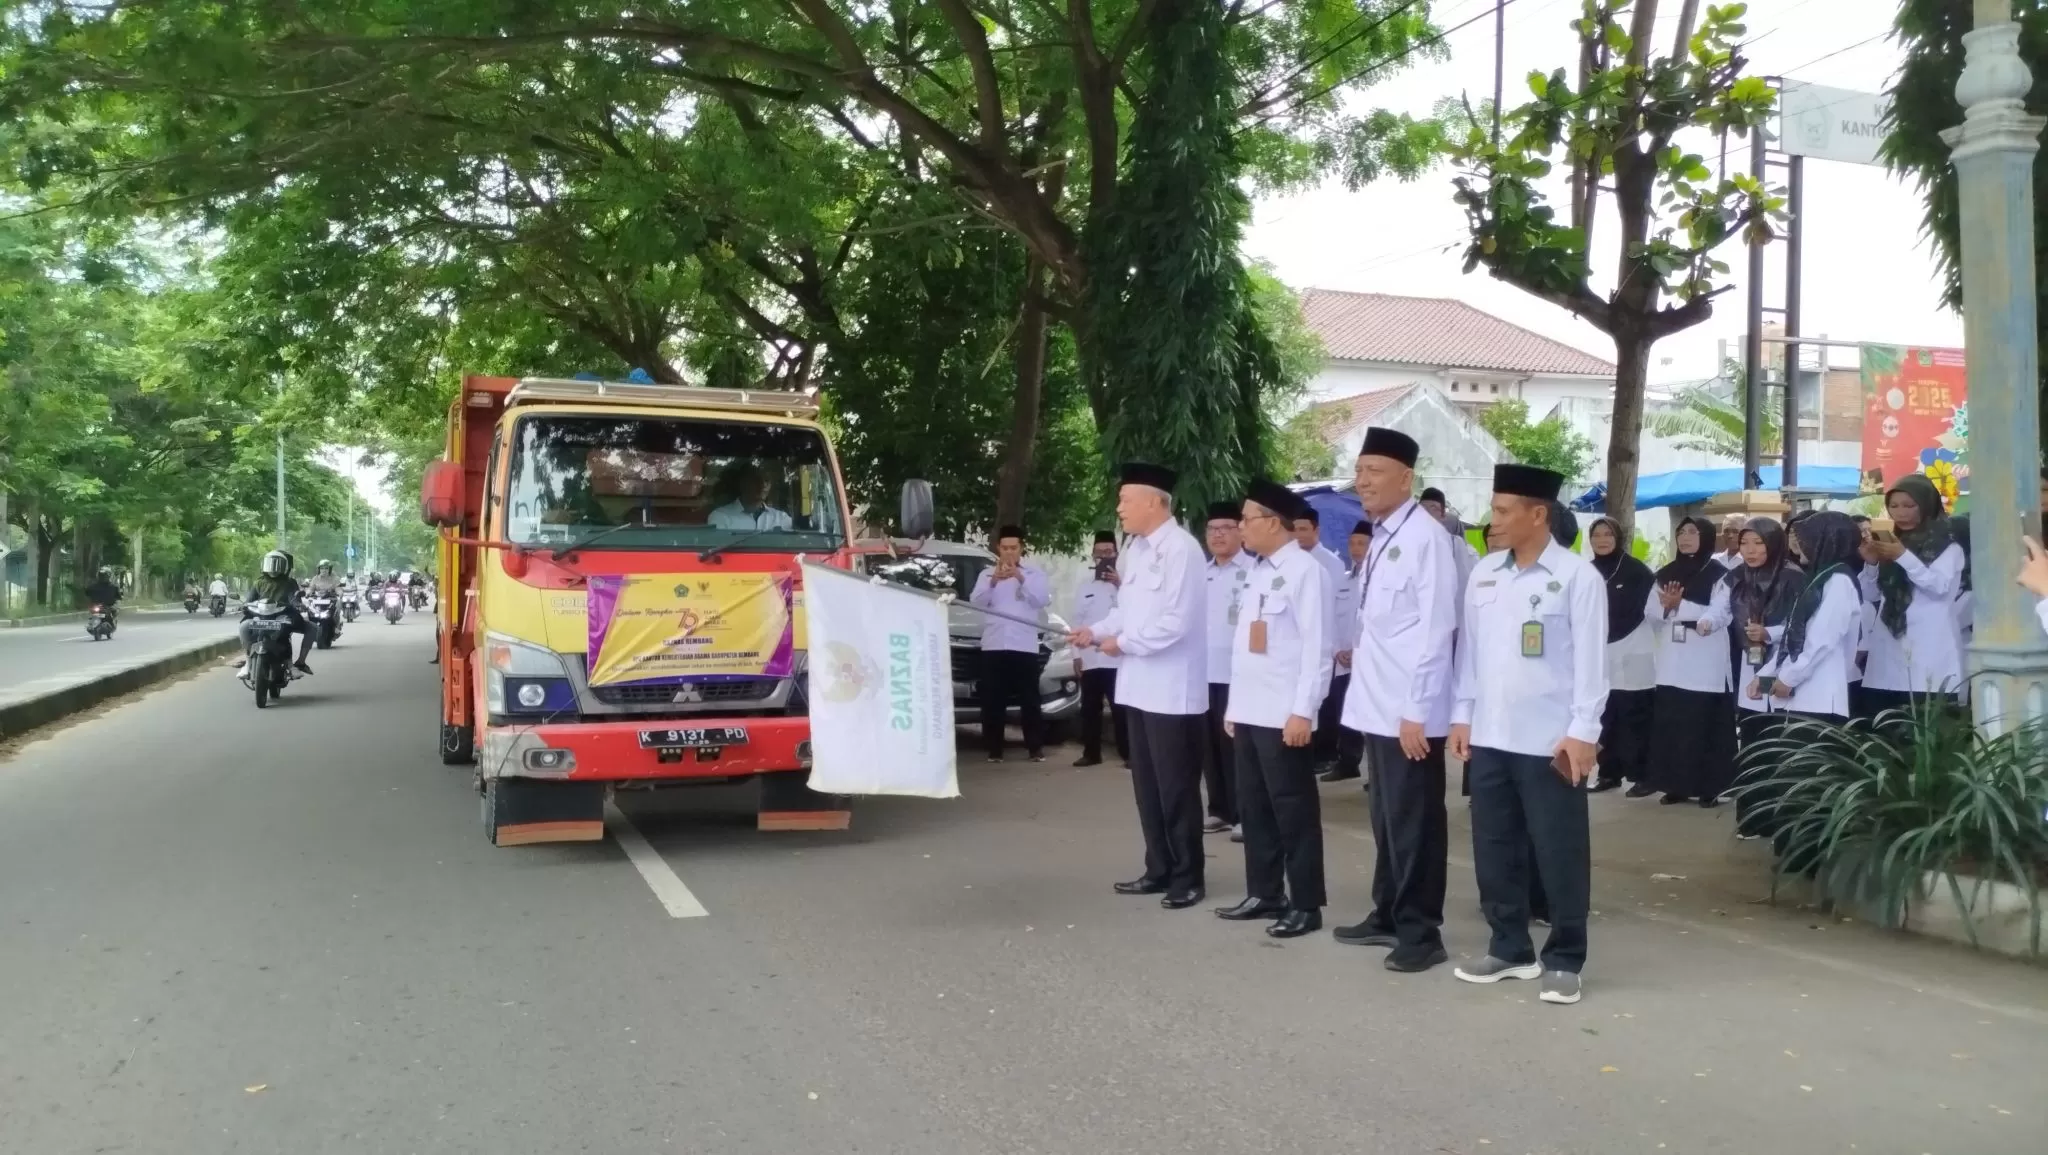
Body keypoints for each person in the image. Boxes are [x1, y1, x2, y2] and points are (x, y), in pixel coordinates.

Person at [1449, 464, 1607, 1006]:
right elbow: (1469, 653)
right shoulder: (1485, 574)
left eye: (1502, 511)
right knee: (1494, 847)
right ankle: (1509, 946)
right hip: (1491, 735)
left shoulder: (1577, 577)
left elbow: (1591, 665)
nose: (1492, 522)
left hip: (1550, 741)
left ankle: (1565, 956)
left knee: (1558, 849)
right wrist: (1462, 714)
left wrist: (1584, 732)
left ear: (1537, 514)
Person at [1330, 429, 1459, 971]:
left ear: (1406, 478)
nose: (1363, 481)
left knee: (1415, 821)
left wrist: (1418, 710)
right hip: (1376, 701)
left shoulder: (1427, 539)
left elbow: (1436, 629)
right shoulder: (1382, 534)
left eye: (1375, 471)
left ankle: (1421, 931)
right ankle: (1387, 911)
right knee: (1385, 816)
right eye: (1359, 471)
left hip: (1410, 709)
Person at [1069, 463, 1209, 910]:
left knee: (1176, 787)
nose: (1119, 508)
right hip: (1138, 688)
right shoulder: (1137, 550)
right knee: (1147, 786)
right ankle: (1159, 868)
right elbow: (1126, 612)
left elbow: (1177, 623)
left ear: (1154, 502)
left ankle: (1188, 875)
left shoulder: (1182, 551)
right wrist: (1095, 632)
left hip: (1172, 691)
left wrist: (1122, 643)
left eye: (1126, 500)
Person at [1214, 478, 1331, 938]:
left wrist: (1304, 710)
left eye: (1246, 519)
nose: (1241, 527)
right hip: (1250, 711)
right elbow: (1248, 648)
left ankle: (1306, 902)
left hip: (1285, 714)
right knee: (1255, 808)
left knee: (1293, 810)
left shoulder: (1306, 571)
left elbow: (1317, 649)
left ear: (1274, 523)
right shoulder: (1258, 571)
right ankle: (1265, 892)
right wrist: (1233, 707)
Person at [1637, 516, 1736, 805]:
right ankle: (1675, 785)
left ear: (1706, 537)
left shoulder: (1721, 574)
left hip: (1706, 660)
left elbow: (1722, 612)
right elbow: (1651, 612)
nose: (1685, 537)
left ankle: (1709, 788)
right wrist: (1668, 609)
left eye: (1693, 532)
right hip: (1672, 660)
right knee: (1674, 725)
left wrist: (1682, 606)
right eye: (1681, 532)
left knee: (1704, 725)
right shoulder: (1666, 572)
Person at [1857, 474, 1966, 716]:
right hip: (1887, 654)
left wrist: (1903, 557)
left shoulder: (1947, 546)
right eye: (1894, 506)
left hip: (1929, 653)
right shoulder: (1894, 544)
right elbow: (1871, 594)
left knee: (1926, 738)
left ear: (1926, 505)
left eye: (1909, 506)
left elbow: (1939, 587)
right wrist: (1872, 564)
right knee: (1886, 733)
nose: (1901, 513)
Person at [1720, 519, 1803, 834]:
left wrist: (1769, 632)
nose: (1750, 550)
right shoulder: (1736, 578)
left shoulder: (1795, 579)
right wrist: (1706, 620)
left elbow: (1803, 626)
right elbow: (1719, 611)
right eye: (1745, 543)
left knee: (1777, 739)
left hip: (1784, 667)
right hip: (1751, 668)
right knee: (1754, 739)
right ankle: (1754, 819)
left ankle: (1780, 822)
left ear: (1773, 543)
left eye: (1758, 543)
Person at [1586, 517, 1657, 794]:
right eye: (1597, 535)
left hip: (1633, 649)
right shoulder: (1587, 571)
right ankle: (1608, 773)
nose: (1602, 540)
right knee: (1606, 715)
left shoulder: (1636, 571)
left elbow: (1644, 610)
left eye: (1608, 535)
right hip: (1600, 651)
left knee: (1634, 716)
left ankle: (1643, 775)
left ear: (1618, 538)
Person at [969, 525, 1051, 764]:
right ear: (998, 548)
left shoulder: (1034, 574)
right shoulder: (986, 574)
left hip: (1023, 644)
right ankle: (994, 749)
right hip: (994, 644)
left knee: (1030, 699)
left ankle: (1035, 748)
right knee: (993, 699)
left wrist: (1019, 577)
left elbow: (1041, 600)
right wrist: (994, 581)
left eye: (1013, 548)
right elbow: (976, 602)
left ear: (1021, 548)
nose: (1009, 552)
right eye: (1004, 548)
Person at [1200, 503, 1253, 833]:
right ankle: (1219, 807)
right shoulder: (1200, 574)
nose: (1218, 534)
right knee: (1210, 747)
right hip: (1204, 673)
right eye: (1212, 529)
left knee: (1238, 748)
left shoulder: (1252, 570)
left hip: (1238, 675)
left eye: (1226, 527)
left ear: (1240, 530)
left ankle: (1245, 814)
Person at [1290, 508, 1347, 772]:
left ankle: (1324, 754)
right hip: (1294, 647)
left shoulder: (1330, 563)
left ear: (1317, 531)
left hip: (1324, 642)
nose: (1299, 535)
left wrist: (1337, 646)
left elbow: (1335, 610)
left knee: (1323, 702)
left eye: (1304, 529)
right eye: (1295, 529)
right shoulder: (1289, 562)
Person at [1317, 520, 1372, 784]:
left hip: (1369, 660)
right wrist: (1339, 649)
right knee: (1343, 710)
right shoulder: (1344, 581)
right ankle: (1348, 762)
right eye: (1352, 543)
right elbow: (1333, 618)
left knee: (1373, 716)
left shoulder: (1378, 579)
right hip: (1343, 660)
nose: (1356, 548)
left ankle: (1378, 772)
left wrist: (1357, 650)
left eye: (1362, 543)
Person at [1070, 531, 1128, 768]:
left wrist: (1120, 583)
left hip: (1118, 658)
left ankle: (1129, 754)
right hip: (1091, 658)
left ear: (1116, 555)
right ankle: (1091, 753)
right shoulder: (1085, 586)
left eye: (1109, 552)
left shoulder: (1127, 584)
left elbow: (1134, 611)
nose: (1104, 556)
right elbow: (1076, 621)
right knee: (1090, 709)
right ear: (1093, 556)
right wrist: (1076, 656)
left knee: (1121, 709)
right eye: (1100, 552)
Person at [237, 550, 316, 679]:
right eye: (270, 563)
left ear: (284, 566)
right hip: (260, 616)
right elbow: (249, 600)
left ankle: (296, 663)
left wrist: (297, 605)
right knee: (244, 627)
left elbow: (294, 599)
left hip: (283, 615)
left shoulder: (290, 583)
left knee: (311, 628)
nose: (273, 568)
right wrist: (244, 606)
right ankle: (247, 662)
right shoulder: (259, 582)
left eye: (277, 564)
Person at [707, 465, 794, 532]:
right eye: (756, 480)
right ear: (742, 483)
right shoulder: (720, 516)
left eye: (766, 481)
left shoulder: (782, 518)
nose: (763, 485)